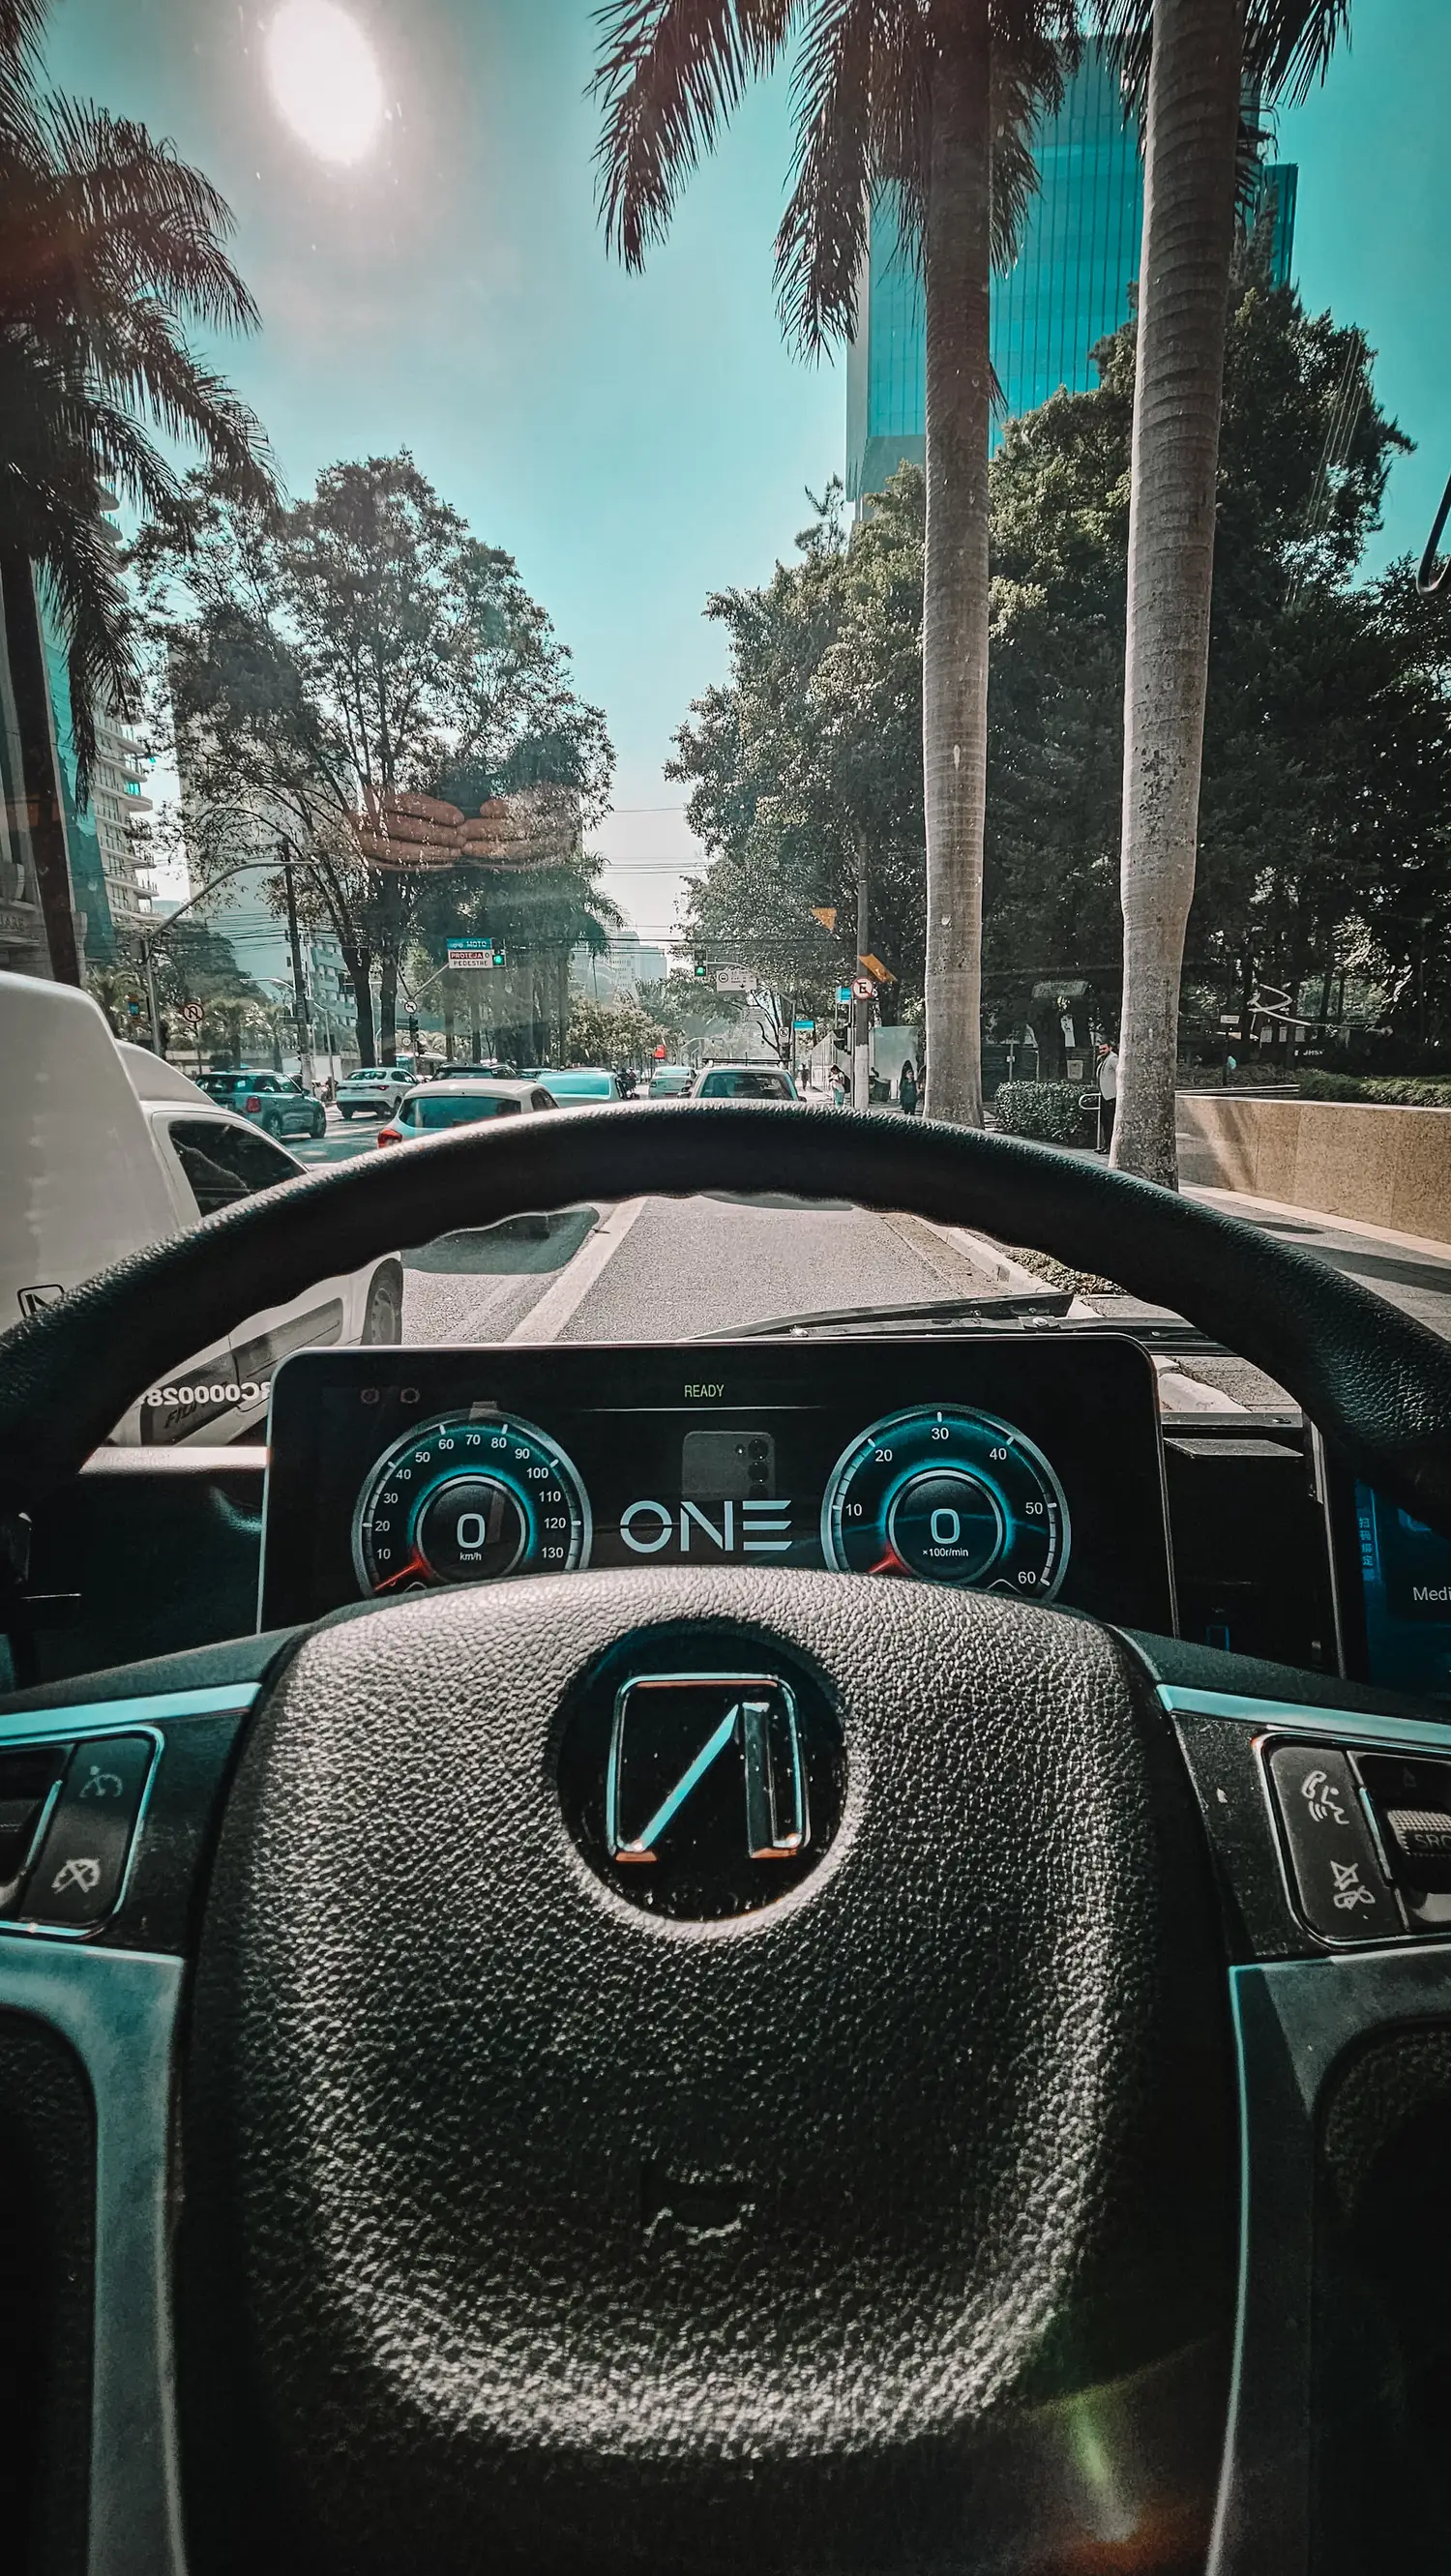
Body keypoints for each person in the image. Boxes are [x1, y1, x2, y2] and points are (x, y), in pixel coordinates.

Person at [1096, 1040, 1118, 1154]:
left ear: (1110, 1048)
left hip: (1111, 1095)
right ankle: (1105, 1145)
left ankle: (1110, 1146)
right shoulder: (1102, 1059)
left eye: (1104, 1049)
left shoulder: (1113, 1058)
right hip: (1105, 1095)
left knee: (1110, 1122)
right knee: (1105, 1122)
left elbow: (1119, 1072)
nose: (1102, 1051)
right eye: (1100, 1049)